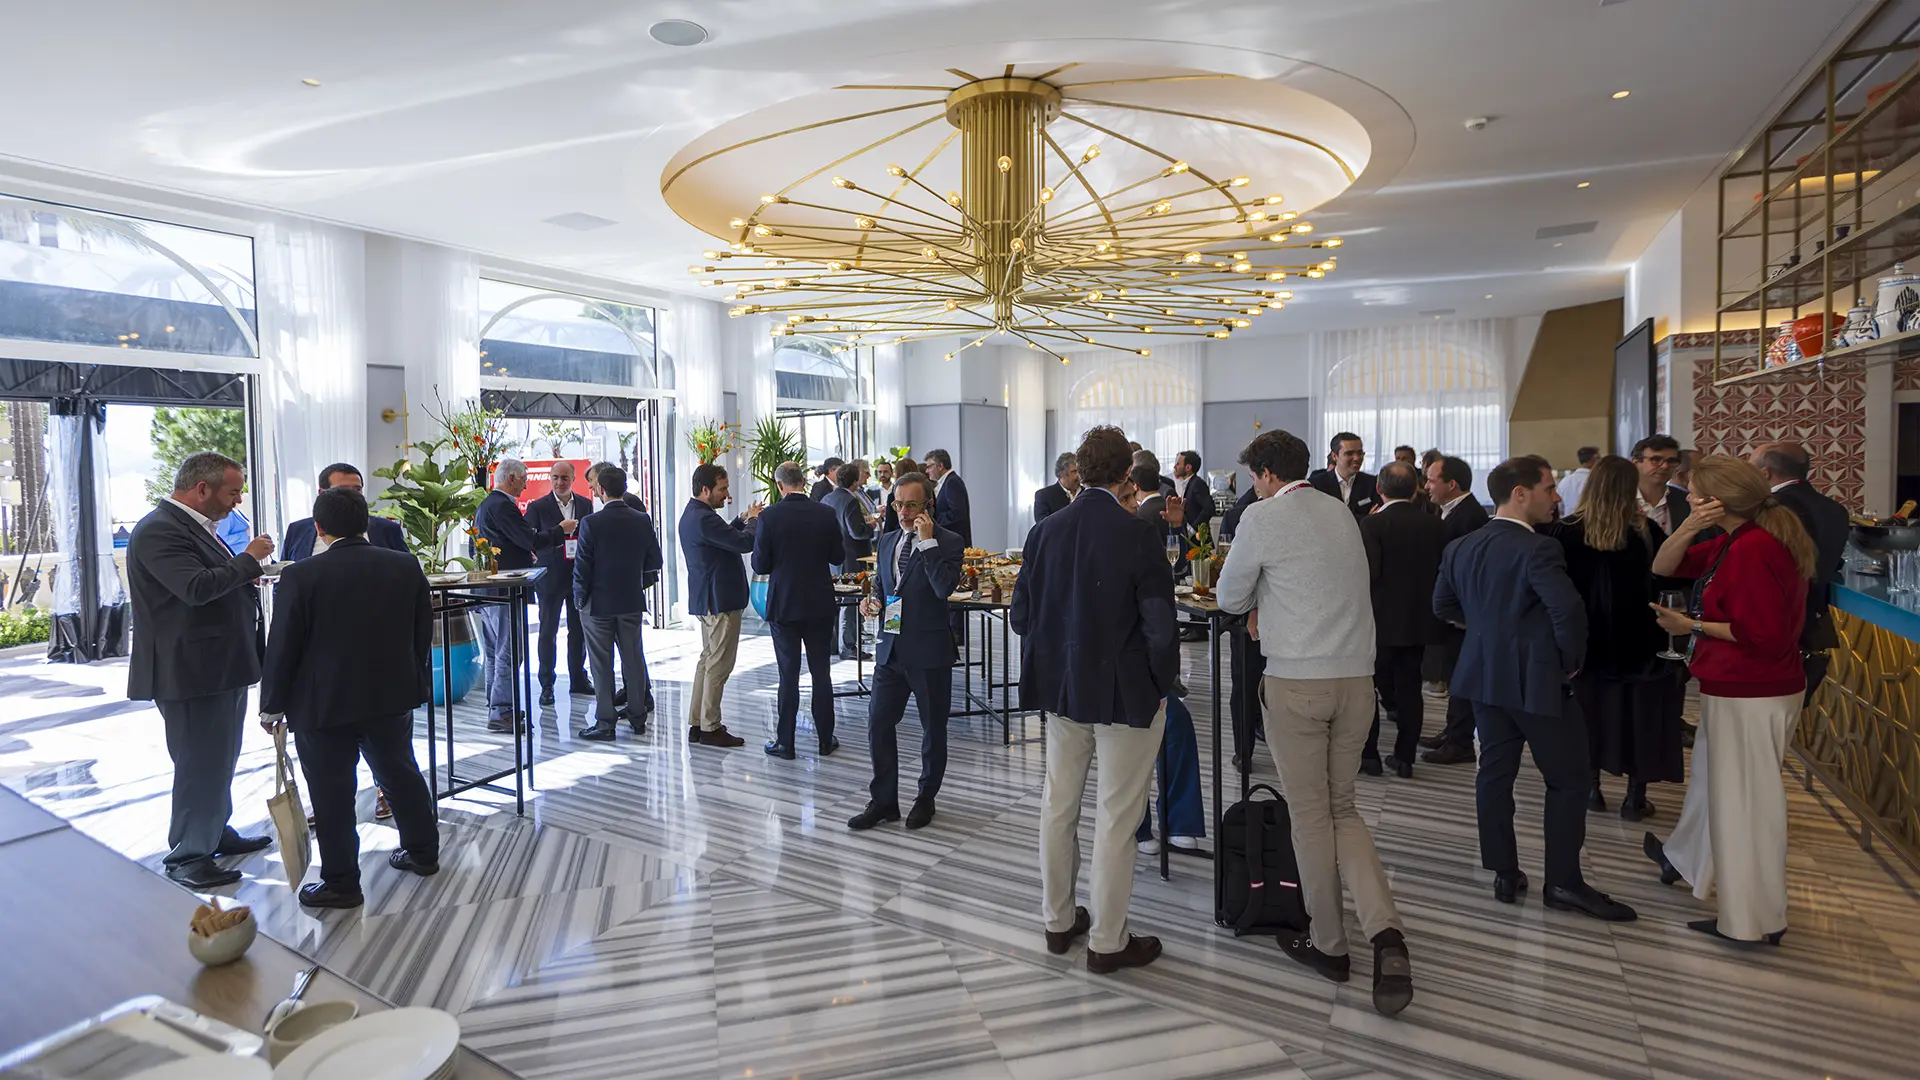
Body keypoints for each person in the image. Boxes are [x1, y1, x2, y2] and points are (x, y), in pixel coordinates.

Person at [1214, 429, 1412, 1015]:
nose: (1253, 486)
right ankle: (1386, 933)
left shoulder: (1261, 516)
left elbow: (1228, 596)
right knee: (1341, 808)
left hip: (1298, 681)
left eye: (1254, 476)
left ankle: (1329, 944)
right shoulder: (1342, 513)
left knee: (1309, 818)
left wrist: (1257, 606)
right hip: (1357, 681)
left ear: (1269, 474)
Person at [1435, 456, 1636, 922]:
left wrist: (1490, 631)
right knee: (1569, 780)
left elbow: (1443, 605)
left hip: (1483, 676)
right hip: (1538, 679)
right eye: (1548, 488)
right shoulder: (1539, 549)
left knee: (1494, 773)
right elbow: (1568, 613)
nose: (1557, 496)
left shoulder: (1462, 545)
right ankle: (1564, 881)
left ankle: (1504, 870)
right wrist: (1570, 663)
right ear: (1521, 493)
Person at [1013, 424, 1173, 975]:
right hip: (1125, 692)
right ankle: (1107, 940)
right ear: (1127, 474)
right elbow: (1160, 628)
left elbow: (1020, 617)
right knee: (1117, 814)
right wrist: (1161, 687)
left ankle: (1058, 921)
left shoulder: (1044, 532)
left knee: (1059, 804)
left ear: (1079, 472)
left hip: (1062, 688)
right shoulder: (1137, 534)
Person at [1643, 456, 1815, 944]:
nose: (1689, 498)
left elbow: (1761, 635)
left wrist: (1689, 625)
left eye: (1695, 493)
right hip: (1745, 688)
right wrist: (1690, 526)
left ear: (1721, 498)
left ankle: (1751, 921)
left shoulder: (1754, 548)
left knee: (1746, 807)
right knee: (1728, 795)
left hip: (1752, 689)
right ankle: (1732, 898)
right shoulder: (1740, 539)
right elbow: (1663, 566)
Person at [259, 487, 438, 908]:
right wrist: (412, 680)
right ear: (366, 522)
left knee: (332, 791)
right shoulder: (404, 565)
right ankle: (422, 852)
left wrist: (272, 704)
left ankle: (341, 883)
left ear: (319, 528)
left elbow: (283, 645)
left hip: (323, 703)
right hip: (390, 694)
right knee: (400, 774)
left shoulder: (302, 575)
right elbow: (420, 632)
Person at [126, 451, 275, 890]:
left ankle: (214, 831)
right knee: (199, 763)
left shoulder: (193, 528)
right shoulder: (158, 531)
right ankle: (189, 856)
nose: (238, 500)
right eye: (233, 492)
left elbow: (211, 580)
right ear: (202, 489)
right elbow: (194, 588)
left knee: (218, 759)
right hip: (190, 671)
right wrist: (248, 559)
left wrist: (244, 574)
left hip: (217, 664)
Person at [1546, 456, 1684, 822]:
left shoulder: (1563, 532)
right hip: (1640, 641)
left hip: (1587, 643)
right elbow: (1670, 581)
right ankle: (1634, 799)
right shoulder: (1646, 532)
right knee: (1640, 719)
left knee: (1587, 716)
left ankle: (1592, 788)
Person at [848, 471, 964, 832]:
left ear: (927, 505)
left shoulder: (949, 541)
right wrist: (871, 602)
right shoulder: (887, 541)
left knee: (933, 730)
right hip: (890, 649)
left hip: (929, 652)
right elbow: (885, 587)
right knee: (878, 724)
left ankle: (926, 798)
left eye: (911, 505)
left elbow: (944, 588)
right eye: (898, 504)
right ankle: (884, 800)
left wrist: (927, 542)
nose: (903, 512)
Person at [1359, 461, 1447, 780]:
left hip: (1378, 621)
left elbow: (1370, 574)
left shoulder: (1372, 526)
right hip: (1420, 620)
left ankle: (1369, 756)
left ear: (1379, 490)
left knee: (1368, 689)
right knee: (1411, 690)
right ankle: (1405, 757)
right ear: (1415, 490)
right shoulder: (1435, 525)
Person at [475, 458, 576, 733]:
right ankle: (502, 712)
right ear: (510, 479)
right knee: (510, 651)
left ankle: (496, 707)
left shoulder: (486, 505)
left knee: (497, 652)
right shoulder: (502, 506)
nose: (526, 484)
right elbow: (528, 539)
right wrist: (561, 531)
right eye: (523, 479)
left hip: (489, 588)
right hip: (505, 588)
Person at [753, 461, 845, 759]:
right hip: (819, 601)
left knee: (788, 674)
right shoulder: (826, 513)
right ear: (804, 481)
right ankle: (825, 739)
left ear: (780, 485)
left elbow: (760, 565)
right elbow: (837, 555)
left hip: (784, 604)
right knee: (822, 673)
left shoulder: (770, 517)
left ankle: (786, 742)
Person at [1751, 442, 1848, 700]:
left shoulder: (1768, 509)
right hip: (1810, 621)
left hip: (1766, 624)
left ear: (1765, 473)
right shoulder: (1836, 509)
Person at [572, 467, 663, 741]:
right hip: (631, 600)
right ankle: (637, 718)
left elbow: (582, 567)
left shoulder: (591, 523)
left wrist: (579, 598)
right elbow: (654, 561)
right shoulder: (641, 519)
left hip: (597, 603)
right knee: (633, 659)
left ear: (600, 489)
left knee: (601, 663)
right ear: (624, 489)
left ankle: (605, 722)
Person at [679, 463, 759, 748]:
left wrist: (739, 519)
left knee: (707, 661)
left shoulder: (695, 514)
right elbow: (743, 543)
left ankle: (698, 723)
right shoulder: (704, 518)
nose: (726, 495)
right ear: (705, 490)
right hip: (720, 600)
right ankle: (711, 726)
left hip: (707, 598)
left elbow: (722, 537)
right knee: (719, 665)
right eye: (722, 489)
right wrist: (753, 520)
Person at [1421, 455, 1491, 765]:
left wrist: (1461, 615)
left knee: (1462, 677)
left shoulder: (1469, 517)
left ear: (1452, 485)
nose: (1426, 486)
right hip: (1454, 614)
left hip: (1462, 616)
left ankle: (1461, 741)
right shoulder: (1453, 511)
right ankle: (1453, 731)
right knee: (1454, 673)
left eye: (1432, 480)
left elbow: (1466, 572)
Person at [523, 461, 596, 705]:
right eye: (555, 477)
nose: (559, 482)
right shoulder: (538, 507)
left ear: (573, 479)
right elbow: (531, 540)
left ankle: (578, 678)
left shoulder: (585, 504)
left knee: (579, 631)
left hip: (578, 576)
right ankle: (546, 685)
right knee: (547, 632)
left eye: (564, 478)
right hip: (550, 577)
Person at [282, 462, 408, 560]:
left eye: (357, 489)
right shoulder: (297, 530)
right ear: (322, 493)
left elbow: (407, 574)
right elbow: (283, 579)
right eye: (342, 490)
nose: (351, 495)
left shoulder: (387, 530)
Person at [822, 462, 877, 661]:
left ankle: (833, 645)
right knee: (850, 602)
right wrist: (871, 526)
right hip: (851, 557)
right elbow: (857, 532)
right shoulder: (850, 501)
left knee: (836, 602)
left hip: (831, 559)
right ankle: (848, 646)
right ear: (854, 482)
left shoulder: (826, 498)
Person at [1309, 432, 1378, 518]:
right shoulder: (1316, 484)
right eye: (1349, 454)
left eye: (1360, 453)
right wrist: (1364, 517)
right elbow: (1316, 518)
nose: (1357, 458)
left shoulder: (1372, 483)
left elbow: (1375, 518)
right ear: (1334, 456)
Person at [1630, 435, 1689, 535]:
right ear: (1636, 463)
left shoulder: (1686, 500)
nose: (1665, 466)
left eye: (1671, 461)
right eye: (1656, 459)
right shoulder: (1616, 499)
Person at [924, 449, 973, 547]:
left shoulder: (952, 482)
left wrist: (933, 521)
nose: (926, 471)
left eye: (929, 466)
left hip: (955, 542)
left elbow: (957, 513)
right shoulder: (947, 481)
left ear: (940, 466)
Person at [1171, 450, 1215, 532]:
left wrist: (1194, 529)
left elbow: (1209, 508)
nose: (1174, 467)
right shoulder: (1187, 483)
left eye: (1178, 464)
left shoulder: (1198, 483)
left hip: (1199, 539)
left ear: (1188, 467)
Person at [1033, 451, 1080, 524]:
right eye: (1074, 471)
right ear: (1062, 474)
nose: (1078, 475)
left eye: (1079, 471)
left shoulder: (1087, 493)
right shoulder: (1044, 496)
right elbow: (1043, 528)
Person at [1556, 447, 1600, 514]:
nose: (1600, 461)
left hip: (1568, 522)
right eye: (1599, 458)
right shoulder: (1597, 481)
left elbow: (1559, 507)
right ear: (1592, 460)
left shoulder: (1565, 481)